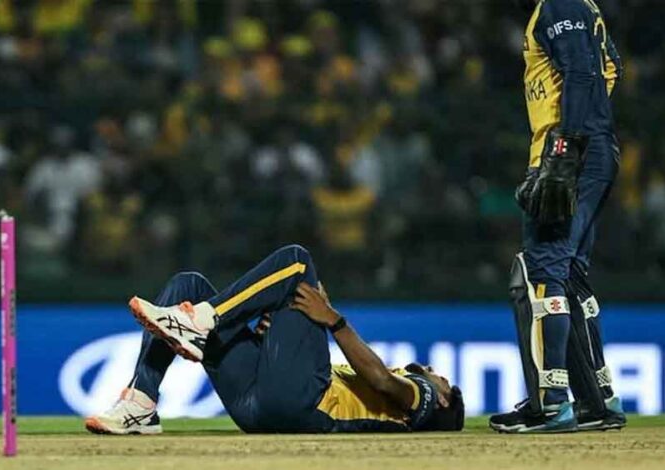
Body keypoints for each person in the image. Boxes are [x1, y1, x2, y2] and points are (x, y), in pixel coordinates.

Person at [85, 245, 464, 434]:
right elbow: (324, 368)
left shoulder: (424, 401)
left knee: (297, 262)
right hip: (260, 405)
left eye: (442, 379)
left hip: (303, 407)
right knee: (189, 285)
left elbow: (380, 379)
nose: (434, 372)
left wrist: (334, 321)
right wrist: (270, 343)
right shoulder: (376, 385)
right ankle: (141, 405)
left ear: (444, 398)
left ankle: (202, 320)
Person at [489, 0, 626, 433]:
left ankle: (550, 403)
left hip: (569, 154)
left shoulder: (559, 5)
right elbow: (611, 68)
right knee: (569, 275)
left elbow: (583, 72)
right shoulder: (582, 5)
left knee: (541, 271)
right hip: (592, 150)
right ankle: (597, 400)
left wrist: (565, 145)